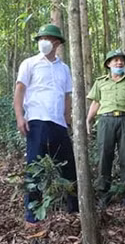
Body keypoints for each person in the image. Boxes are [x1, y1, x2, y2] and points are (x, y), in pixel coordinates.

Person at [13, 24, 78, 223]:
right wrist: (19, 117)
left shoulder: (64, 68)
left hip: (58, 122)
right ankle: (32, 213)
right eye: (42, 38)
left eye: (49, 38)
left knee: (69, 166)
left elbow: (67, 96)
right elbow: (19, 91)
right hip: (36, 120)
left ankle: (73, 208)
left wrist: (68, 120)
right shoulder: (29, 63)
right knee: (34, 166)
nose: (44, 42)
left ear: (57, 43)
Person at [86, 50, 125, 207]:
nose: (119, 63)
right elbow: (95, 102)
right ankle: (103, 193)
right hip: (106, 121)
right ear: (108, 64)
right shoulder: (100, 82)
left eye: (122, 61)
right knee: (105, 156)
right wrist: (88, 120)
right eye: (115, 60)